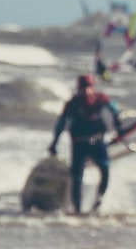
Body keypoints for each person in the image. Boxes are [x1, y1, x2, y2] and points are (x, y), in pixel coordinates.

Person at [48, 74, 125, 214]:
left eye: (88, 87)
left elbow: (114, 110)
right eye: (82, 88)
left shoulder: (100, 99)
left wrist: (119, 127)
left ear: (92, 87)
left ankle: (98, 201)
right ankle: (77, 210)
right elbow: (61, 124)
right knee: (77, 178)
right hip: (79, 144)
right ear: (78, 88)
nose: (85, 91)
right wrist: (54, 143)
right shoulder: (72, 104)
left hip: (98, 142)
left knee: (105, 170)